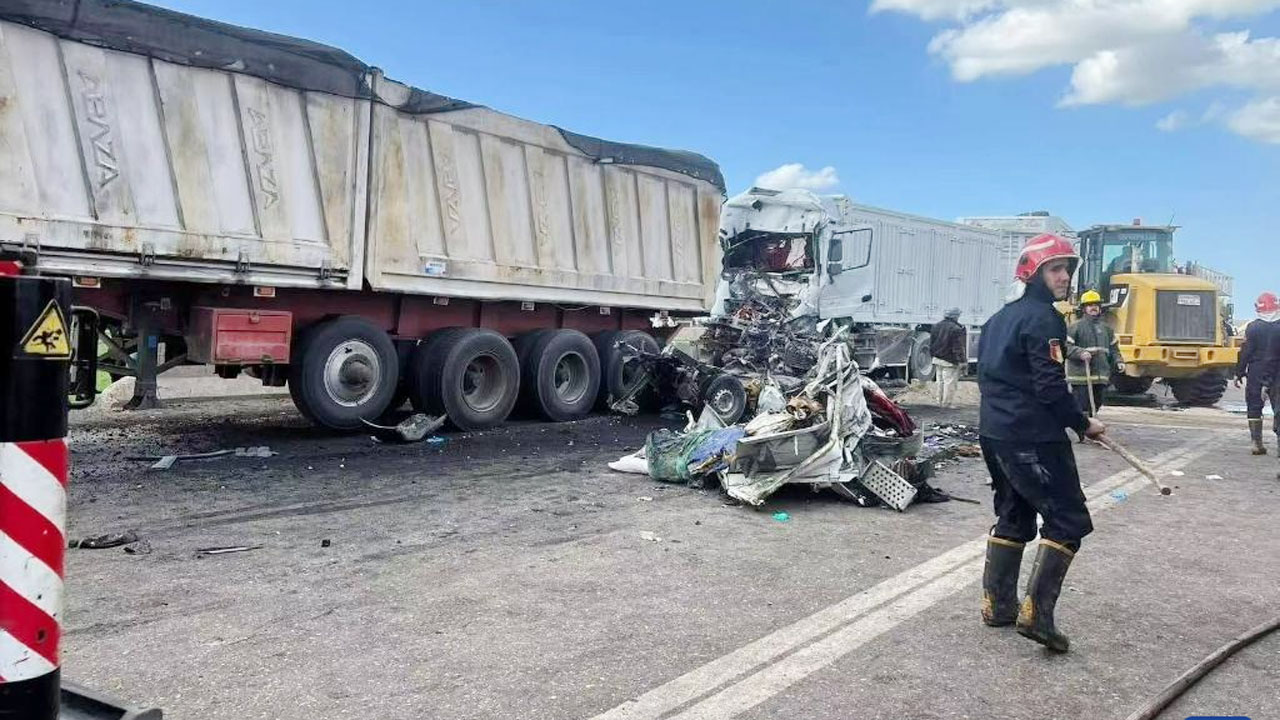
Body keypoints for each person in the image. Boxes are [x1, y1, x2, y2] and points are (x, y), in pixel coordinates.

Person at [977, 233, 1106, 654]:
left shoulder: (1000, 318)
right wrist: (1082, 423)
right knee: (1068, 520)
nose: (1065, 276)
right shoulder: (1045, 319)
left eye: (1067, 268)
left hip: (995, 432)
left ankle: (998, 604)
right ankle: (1038, 616)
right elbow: (1050, 387)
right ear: (1031, 273)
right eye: (1055, 268)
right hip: (1033, 436)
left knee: (1013, 513)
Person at [1066, 290, 1125, 420]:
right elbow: (1066, 347)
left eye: (1096, 305)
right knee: (1082, 406)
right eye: (1090, 305)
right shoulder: (1075, 327)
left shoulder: (1106, 329)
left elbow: (1114, 349)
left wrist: (1119, 361)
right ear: (1084, 308)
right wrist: (1080, 353)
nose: (1093, 307)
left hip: (1101, 376)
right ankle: (1083, 431)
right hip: (1081, 377)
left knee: (1096, 404)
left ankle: (1091, 427)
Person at [1234, 292, 1280, 455]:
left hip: (1256, 371)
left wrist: (1238, 372)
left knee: (1254, 405)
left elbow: (1246, 351)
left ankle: (1256, 442)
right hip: (1277, 372)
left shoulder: (1253, 327)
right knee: (1278, 408)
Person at [930, 307, 967, 408]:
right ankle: (947, 404)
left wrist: (933, 355)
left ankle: (939, 402)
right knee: (949, 383)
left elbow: (931, 343)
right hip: (949, 360)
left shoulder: (935, 326)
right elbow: (958, 347)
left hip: (937, 359)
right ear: (955, 316)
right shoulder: (956, 329)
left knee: (940, 382)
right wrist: (962, 361)